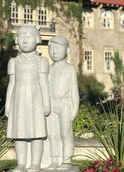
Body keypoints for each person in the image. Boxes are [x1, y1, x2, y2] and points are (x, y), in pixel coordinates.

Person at [5, 24, 50, 172]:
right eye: (22, 36)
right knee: (20, 134)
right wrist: (8, 105)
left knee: (37, 133)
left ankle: (35, 163)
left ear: (37, 39)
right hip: (19, 99)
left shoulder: (41, 61)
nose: (25, 40)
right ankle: (21, 164)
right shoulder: (13, 62)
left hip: (36, 98)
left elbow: (44, 83)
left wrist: (46, 103)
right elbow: (11, 84)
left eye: (29, 36)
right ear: (17, 39)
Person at [46, 36, 80, 170]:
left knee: (65, 133)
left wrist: (75, 107)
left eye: (58, 48)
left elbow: (74, 91)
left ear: (67, 50)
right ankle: (54, 158)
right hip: (51, 104)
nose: (54, 52)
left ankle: (67, 159)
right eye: (51, 48)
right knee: (52, 133)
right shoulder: (48, 69)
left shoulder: (70, 69)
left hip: (65, 104)